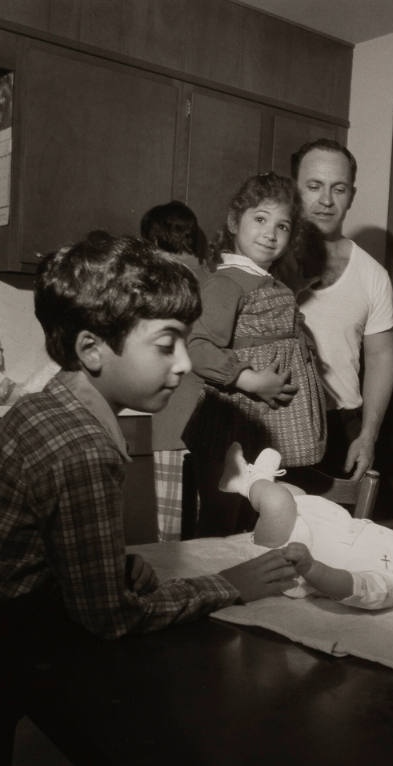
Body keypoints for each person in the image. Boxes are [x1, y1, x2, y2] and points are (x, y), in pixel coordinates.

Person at [0, 232, 297, 766]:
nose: (184, 363)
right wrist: (227, 584)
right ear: (91, 349)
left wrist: (101, 569)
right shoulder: (84, 448)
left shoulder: (50, 403)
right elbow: (108, 618)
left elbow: (31, 539)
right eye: (166, 344)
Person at [182, 172, 326, 536]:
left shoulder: (267, 281)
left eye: (282, 226)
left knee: (253, 523)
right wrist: (250, 379)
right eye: (260, 219)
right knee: (222, 523)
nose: (270, 233)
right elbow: (195, 348)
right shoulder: (227, 282)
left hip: (262, 431)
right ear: (234, 222)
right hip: (231, 427)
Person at [219, 443, 393, 610]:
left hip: (287, 556)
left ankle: (247, 482)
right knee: (297, 497)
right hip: (311, 521)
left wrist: (310, 567)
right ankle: (257, 484)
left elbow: (348, 586)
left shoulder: (392, 586)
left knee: (279, 502)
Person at [291, 139, 393, 481]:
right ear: (294, 189)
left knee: (335, 531)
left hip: (341, 426)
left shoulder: (373, 275)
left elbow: (381, 357)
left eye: (338, 188)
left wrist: (368, 435)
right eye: (314, 186)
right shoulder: (267, 258)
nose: (326, 200)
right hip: (273, 418)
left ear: (351, 195)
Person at [140, 200, 209, 541]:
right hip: (211, 431)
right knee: (205, 537)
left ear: (151, 243)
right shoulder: (213, 281)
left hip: (169, 427)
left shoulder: (158, 287)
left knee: (169, 544)